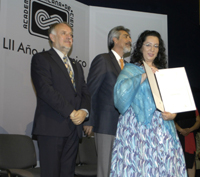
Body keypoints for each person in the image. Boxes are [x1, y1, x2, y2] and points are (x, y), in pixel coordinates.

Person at [110, 30, 187, 176]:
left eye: (156, 46)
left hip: (162, 130)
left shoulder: (164, 74)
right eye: (148, 45)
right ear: (140, 47)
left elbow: (174, 102)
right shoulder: (129, 70)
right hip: (136, 130)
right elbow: (119, 97)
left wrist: (173, 114)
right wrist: (145, 75)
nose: (152, 49)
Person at [31, 22, 90, 177]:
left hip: (73, 129)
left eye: (71, 35)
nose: (69, 37)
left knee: (67, 173)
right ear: (52, 37)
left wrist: (84, 112)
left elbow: (85, 93)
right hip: (52, 127)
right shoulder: (41, 59)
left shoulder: (76, 66)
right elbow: (46, 90)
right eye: (64, 33)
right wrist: (71, 112)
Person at [83, 26, 132, 177]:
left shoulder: (129, 67)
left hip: (125, 127)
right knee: (105, 170)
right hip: (106, 124)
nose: (130, 40)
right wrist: (89, 120)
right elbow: (91, 90)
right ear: (114, 39)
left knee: (121, 169)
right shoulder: (103, 59)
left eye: (130, 37)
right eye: (125, 36)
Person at [175, 110, 200, 177]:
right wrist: (180, 130)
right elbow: (171, 120)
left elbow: (198, 121)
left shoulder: (192, 104)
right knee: (178, 161)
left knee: (191, 162)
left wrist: (190, 130)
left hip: (190, 136)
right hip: (177, 136)